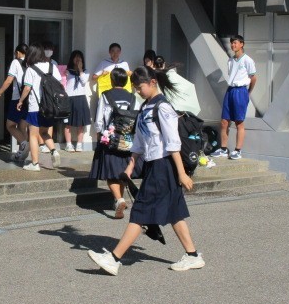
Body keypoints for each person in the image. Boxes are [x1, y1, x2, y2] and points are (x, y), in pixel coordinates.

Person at [87, 66, 205, 275]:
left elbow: (173, 143)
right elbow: (140, 141)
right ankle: (193, 255)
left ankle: (114, 259)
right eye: (135, 87)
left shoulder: (163, 108)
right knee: (174, 211)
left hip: (164, 165)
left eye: (139, 87)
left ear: (152, 83)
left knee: (141, 210)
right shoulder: (145, 108)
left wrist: (181, 173)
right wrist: (131, 165)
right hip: (153, 165)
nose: (137, 91)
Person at [89, 68, 141, 218]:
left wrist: (99, 134)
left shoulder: (106, 95)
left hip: (110, 138)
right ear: (126, 81)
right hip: (127, 140)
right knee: (122, 172)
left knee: (110, 173)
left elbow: (100, 119)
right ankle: (119, 201)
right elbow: (137, 119)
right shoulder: (132, 97)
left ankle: (119, 199)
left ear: (111, 80)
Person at [209, 34, 257, 160]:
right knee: (224, 121)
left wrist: (248, 92)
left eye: (235, 42)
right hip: (230, 90)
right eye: (231, 43)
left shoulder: (248, 60)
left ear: (242, 44)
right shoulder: (230, 60)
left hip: (241, 91)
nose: (232, 45)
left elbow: (253, 78)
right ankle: (223, 149)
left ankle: (238, 150)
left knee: (239, 122)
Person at [16, 43, 62, 171]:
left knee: (33, 135)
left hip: (35, 107)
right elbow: (60, 85)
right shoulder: (52, 67)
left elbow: (27, 88)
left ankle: (35, 163)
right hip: (50, 107)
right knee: (44, 132)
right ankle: (54, 151)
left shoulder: (31, 69)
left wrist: (20, 101)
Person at [0, 43, 29, 161]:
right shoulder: (31, 63)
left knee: (10, 125)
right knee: (22, 126)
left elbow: (9, 80)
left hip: (17, 99)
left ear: (18, 53)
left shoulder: (15, 62)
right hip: (28, 99)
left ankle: (24, 144)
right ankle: (22, 152)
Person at [63, 50, 91, 152]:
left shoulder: (85, 71)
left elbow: (83, 81)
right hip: (69, 98)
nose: (77, 59)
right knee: (68, 123)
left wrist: (80, 69)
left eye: (79, 57)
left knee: (80, 123)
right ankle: (68, 144)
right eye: (75, 57)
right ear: (72, 59)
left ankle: (79, 144)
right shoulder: (67, 71)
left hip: (80, 98)